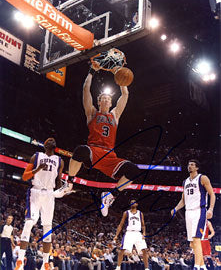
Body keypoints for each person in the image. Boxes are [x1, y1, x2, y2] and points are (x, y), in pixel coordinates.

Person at [68, 65, 142, 216]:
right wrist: (91, 71)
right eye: (104, 98)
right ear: (99, 101)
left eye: (109, 99)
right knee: (80, 150)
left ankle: (110, 196)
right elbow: (85, 90)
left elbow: (125, 95)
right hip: (93, 150)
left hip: (109, 156)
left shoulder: (115, 115)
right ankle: (68, 183)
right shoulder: (92, 113)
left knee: (134, 171)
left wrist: (119, 74)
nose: (107, 100)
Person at [15, 138, 71, 270]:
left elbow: (58, 181)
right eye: (49, 140)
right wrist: (38, 169)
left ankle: (45, 263)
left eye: (53, 140)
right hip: (35, 192)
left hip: (49, 194)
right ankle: (20, 261)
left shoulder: (60, 161)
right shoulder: (36, 156)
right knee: (29, 223)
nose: (51, 139)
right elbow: (24, 177)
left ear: (55, 146)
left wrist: (64, 189)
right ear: (45, 145)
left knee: (47, 228)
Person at [171, 159, 216, 270]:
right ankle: (202, 266)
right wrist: (176, 208)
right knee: (192, 243)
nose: (189, 166)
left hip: (199, 211)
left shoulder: (202, 178)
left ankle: (196, 266)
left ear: (197, 168)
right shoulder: (185, 182)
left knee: (196, 239)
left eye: (192, 165)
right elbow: (183, 200)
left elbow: (212, 194)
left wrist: (210, 209)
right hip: (188, 212)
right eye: (188, 165)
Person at [113, 199, 149, 270]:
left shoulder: (140, 213)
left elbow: (143, 225)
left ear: (137, 204)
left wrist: (144, 233)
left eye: (134, 202)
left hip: (138, 233)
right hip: (129, 233)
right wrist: (116, 235)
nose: (132, 203)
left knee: (144, 250)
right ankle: (118, 267)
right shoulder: (126, 213)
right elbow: (121, 225)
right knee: (122, 249)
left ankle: (146, 268)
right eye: (131, 202)